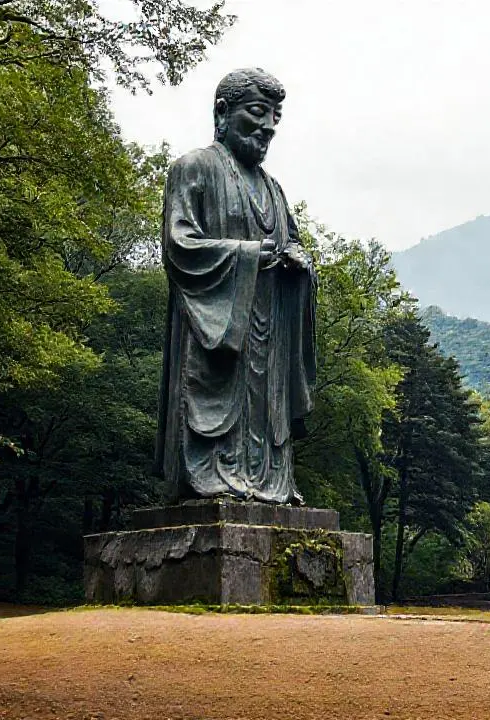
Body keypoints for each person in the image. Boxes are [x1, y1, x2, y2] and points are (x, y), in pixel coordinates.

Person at [154, 68, 317, 505]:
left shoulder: (274, 190)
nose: (267, 127)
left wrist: (298, 263)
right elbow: (179, 244)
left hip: (268, 334)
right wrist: (246, 255)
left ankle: (269, 484)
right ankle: (209, 478)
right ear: (223, 112)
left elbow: (292, 243)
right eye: (258, 112)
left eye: (275, 118)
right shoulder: (195, 168)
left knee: (265, 411)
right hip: (216, 323)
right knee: (215, 407)